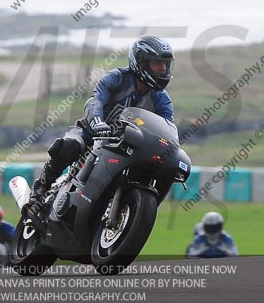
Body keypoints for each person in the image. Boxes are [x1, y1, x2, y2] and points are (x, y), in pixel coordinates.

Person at [27, 35, 175, 209]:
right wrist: (97, 122)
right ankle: (41, 186)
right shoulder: (117, 78)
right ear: (141, 62)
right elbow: (95, 100)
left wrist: (170, 150)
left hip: (128, 146)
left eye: (165, 64)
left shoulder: (162, 99)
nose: (163, 69)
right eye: (157, 63)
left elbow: (168, 128)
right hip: (91, 133)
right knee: (69, 146)